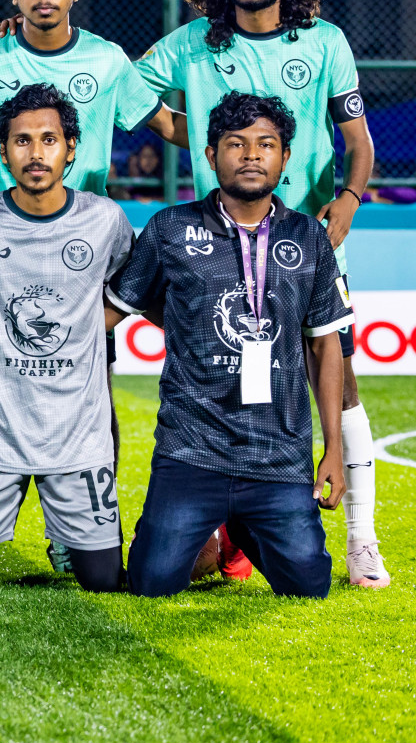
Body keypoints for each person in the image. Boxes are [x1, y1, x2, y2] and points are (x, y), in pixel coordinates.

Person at [134, 0, 385, 588]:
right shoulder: (192, 44)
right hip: (217, 250)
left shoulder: (325, 41)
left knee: (338, 377)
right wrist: (190, 135)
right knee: (219, 378)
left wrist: (351, 200)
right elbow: (128, 91)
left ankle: (362, 537)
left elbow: (359, 142)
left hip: (304, 247)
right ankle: (236, 522)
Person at [0, 0, 187, 575]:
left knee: (89, 404)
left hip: (81, 272)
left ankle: (73, 536)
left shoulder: (105, 61)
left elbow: (164, 125)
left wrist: (251, 138)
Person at [109, 93, 353, 598]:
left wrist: (333, 448)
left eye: (266, 144)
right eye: (235, 144)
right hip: (191, 450)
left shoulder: (308, 238)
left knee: (310, 587)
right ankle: (200, 527)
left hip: (278, 455)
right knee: (151, 584)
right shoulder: (170, 229)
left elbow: (326, 346)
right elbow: (112, 309)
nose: (250, 155)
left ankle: (241, 526)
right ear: (210, 155)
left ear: (285, 158)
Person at [0, 85, 131, 593]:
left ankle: (71, 537)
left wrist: (86, 329)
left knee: (104, 580)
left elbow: (129, 291)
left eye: (49, 139)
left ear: (71, 147)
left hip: (77, 435)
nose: (36, 152)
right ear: (2, 151)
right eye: (22, 141)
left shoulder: (104, 220)